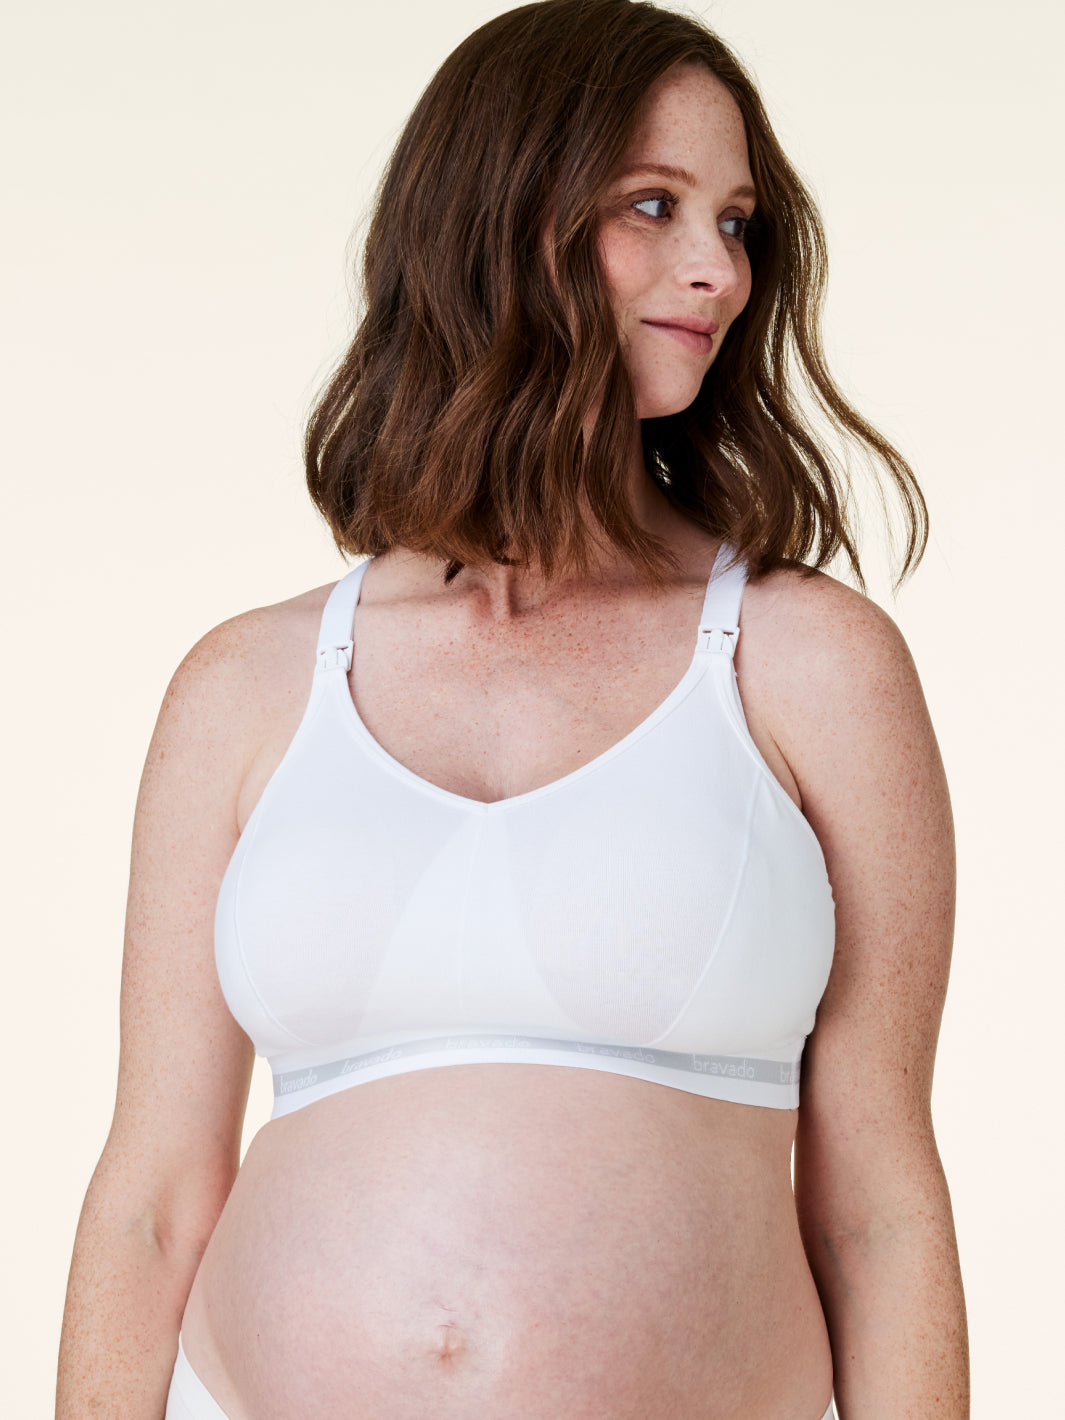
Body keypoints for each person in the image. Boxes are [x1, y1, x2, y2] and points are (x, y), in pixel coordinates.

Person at [55, 1, 969, 1416]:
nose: (717, 271)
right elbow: (151, 1202)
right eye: (653, 206)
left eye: (736, 223)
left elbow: (880, 1211)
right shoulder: (246, 685)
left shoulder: (806, 664)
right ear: (498, 221)